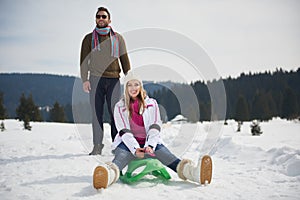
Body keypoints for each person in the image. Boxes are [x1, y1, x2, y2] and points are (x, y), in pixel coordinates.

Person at [92, 71, 213, 189]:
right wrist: (135, 149)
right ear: (126, 87)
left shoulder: (152, 104)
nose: (133, 88)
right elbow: (123, 131)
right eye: (129, 85)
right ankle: (107, 176)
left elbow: (155, 127)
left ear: (141, 86)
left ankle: (194, 173)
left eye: (136, 84)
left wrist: (150, 145)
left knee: (168, 157)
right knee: (120, 157)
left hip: (150, 143)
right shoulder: (119, 107)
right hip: (127, 144)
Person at [80, 7, 131, 155]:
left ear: (109, 20)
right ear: (95, 19)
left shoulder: (118, 38)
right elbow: (84, 61)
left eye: (103, 16)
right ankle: (97, 145)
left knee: (116, 114)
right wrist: (85, 80)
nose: (101, 19)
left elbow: (124, 59)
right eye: (98, 16)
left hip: (114, 80)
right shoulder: (88, 39)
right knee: (97, 114)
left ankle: (117, 145)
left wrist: (129, 78)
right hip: (95, 80)